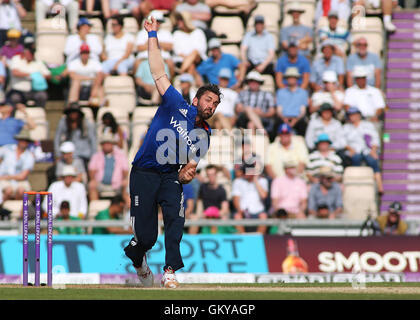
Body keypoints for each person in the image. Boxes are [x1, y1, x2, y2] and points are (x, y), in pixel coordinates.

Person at [123, 16, 221, 288]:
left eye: (215, 104)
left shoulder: (205, 135)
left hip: (169, 177)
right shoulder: (175, 102)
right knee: (146, 238)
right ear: (196, 100)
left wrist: (187, 174)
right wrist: (152, 34)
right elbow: (158, 71)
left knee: (176, 219)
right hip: (143, 172)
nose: (211, 106)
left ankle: (169, 271)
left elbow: (190, 167)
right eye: (208, 100)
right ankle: (137, 255)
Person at [343, 107, 383, 194]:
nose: (353, 117)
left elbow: (375, 139)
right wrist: (350, 149)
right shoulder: (346, 127)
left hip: (367, 150)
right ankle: (355, 185)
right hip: (353, 151)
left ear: (359, 115)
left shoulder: (368, 125)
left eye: (354, 114)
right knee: (355, 159)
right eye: (351, 115)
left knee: (373, 160)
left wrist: (373, 150)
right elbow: (342, 141)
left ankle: (380, 186)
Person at [88, 133, 129, 201]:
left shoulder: (121, 155)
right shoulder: (96, 156)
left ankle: (128, 210)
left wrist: (124, 179)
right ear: (102, 145)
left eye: (109, 143)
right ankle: (94, 209)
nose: (107, 145)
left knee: (126, 186)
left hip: (117, 184)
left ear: (112, 144)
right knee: (92, 185)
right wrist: (93, 179)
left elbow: (125, 170)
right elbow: (91, 170)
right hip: (100, 184)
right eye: (105, 143)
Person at [54, 103, 97, 167]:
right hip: (68, 156)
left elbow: (93, 141)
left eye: (75, 112)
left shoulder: (87, 124)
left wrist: (93, 158)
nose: (73, 114)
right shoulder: (63, 122)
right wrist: (58, 154)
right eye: (71, 112)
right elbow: (57, 138)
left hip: (84, 156)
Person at [235, 71, 276, 135]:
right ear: (248, 82)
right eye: (251, 81)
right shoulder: (242, 93)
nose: (253, 83)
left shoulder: (267, 94)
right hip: (244, 118)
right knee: (248, 109)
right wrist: (251, 111)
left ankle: (253, 144)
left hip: (262, 118)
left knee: (251, 124)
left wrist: (261, 113)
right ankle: (262, 131)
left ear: (259, 83)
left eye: (255, 81)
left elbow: (272, 112)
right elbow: (238, 109)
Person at [232, 162, 269, 234]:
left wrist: (255, 180)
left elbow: (264, 196)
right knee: (237, 216)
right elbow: (236, 199)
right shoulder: (237, 181)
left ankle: (258, 238)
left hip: (258, 212)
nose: (243, 173)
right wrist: (240, 211)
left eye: (245, 171)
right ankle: (243, 238)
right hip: (243, 212)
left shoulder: (263, 181)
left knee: (263, 216)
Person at [135, 10, 174, 77]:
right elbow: (139, 47)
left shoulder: (166, 33)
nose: (156, 23)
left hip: (163, 57)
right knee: (136, 63)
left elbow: (170, 46)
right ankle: (137, 83)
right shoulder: (142, 33)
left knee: (170, 63)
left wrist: (151, 42)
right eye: (155, 21)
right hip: (145, 56)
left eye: (158, 21)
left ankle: (170, 83)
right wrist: (158, 44)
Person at [0, 128, 35, 201]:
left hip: (17, 181)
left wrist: (4, 177)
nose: (24, 142)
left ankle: (16, 209)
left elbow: (22, 176)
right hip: (4, 181)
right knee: (8, 190)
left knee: (21, 191)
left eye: (26, 141)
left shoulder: (30, 156)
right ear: (18, 140)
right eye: (22, 139)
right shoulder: (7, 149)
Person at [276, 67, 309, 136]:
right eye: (289, 77)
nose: (291, 79)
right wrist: (284, 119)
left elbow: (303, 110)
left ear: (297, 79)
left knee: (303, 125)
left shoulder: (303, 92)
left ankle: (302, 143)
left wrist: (296, 120)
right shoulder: (280, 92)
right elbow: (279, 110)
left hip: (298, 118)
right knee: (276, 124)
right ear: (286, 79)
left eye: (293, 77)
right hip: (283, 118)